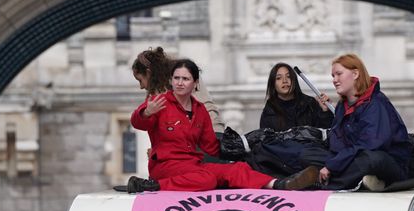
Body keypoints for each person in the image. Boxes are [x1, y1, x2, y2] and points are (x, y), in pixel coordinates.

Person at [128, 59, 319, 193]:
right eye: (176, 78)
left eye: (185, 79)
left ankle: (280, 184)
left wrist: (242, 149)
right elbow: (137, 122)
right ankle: (153, 186)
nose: (179, 83)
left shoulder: (200, 109)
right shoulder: (159, 102)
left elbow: (211, 146)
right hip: (166, 166)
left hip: (193, 165)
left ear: (194, 83)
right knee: (207, 179)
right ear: (171, 80)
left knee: (236, 169)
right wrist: (146, 113)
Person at [319, 53, 411, 191]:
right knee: (309, 153)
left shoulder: (375, 102)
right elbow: (337, 143)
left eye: (339, 74)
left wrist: (333, 165)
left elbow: (370, 144)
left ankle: (328, 184)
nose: (335, 80)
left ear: (355, 74)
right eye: (333, 76)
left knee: (371, 159)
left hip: (387, 162)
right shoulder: (341, 106)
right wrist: (332, 161)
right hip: (354, 156)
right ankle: (361, 180)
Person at [132, 46, 225, 132]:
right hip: (213, 129)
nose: (141, 87)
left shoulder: (165, 89)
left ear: (148, 73)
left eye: (140, 80)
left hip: (203, 135)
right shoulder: (185, 73)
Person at [259, 62, 334, 131]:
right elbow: (265, 141)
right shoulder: (269, 110)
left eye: (288, 76)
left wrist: (325, 112)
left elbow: (325, 134)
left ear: (294, 80)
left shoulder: (309, 104)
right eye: (278, 78)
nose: (284, 81)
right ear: (273, 84)